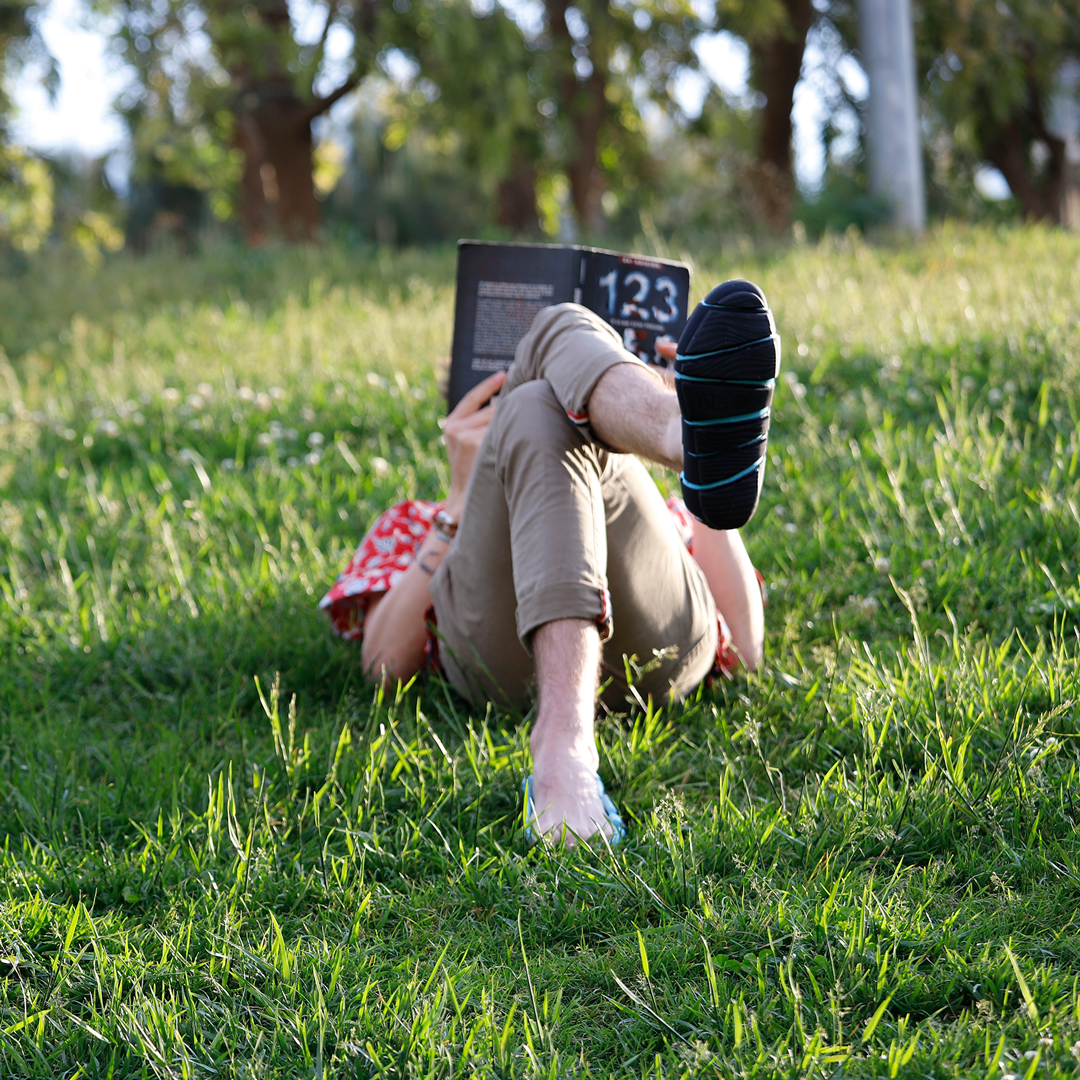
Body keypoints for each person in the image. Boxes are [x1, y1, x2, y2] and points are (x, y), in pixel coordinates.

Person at [320, 282, 779, 847]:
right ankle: (680, 429)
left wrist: (703, 491)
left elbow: (744, 648)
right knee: (536, 397)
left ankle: (563, 751)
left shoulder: (658, 513)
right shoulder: (419, 521)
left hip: (656, 647)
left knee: (546, 373)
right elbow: (384, 665)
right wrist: (457, 505)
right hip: (501, 662)